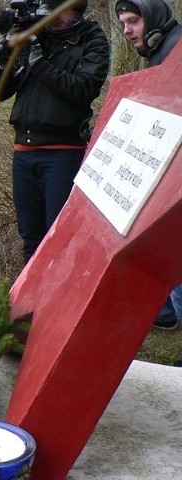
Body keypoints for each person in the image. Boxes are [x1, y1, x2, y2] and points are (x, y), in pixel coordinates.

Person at [0, 0, 110, 264]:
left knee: (59, 237)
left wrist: (39, 62)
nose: (50, 19)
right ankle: (30, 303)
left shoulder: (91, 38)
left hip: (63, 152)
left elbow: (83, 89)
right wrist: (4, 61)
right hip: (24, 148)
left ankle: (61, 304)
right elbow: (1, 89)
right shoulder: (38, 35)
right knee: (31, 237)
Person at [115, 0, 182, 330]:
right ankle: (168, 314)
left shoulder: (177, 50)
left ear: (153, 18)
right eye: (123, 23)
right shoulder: (161, 52)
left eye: (133, 21)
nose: (126, 30)